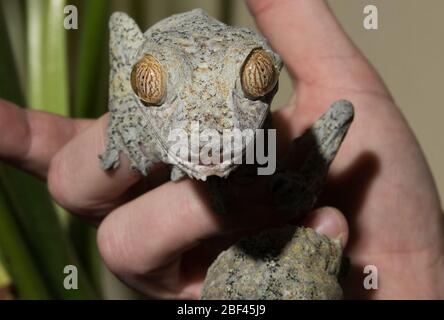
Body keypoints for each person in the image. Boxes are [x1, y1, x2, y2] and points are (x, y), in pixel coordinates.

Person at [0, 0, 442, 299]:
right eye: (150, 85)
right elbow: (120, 28)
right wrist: (128, 112)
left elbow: (335, 112)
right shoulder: (147, 60)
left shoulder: (267, 139)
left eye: (256, 79)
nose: (211, 134)